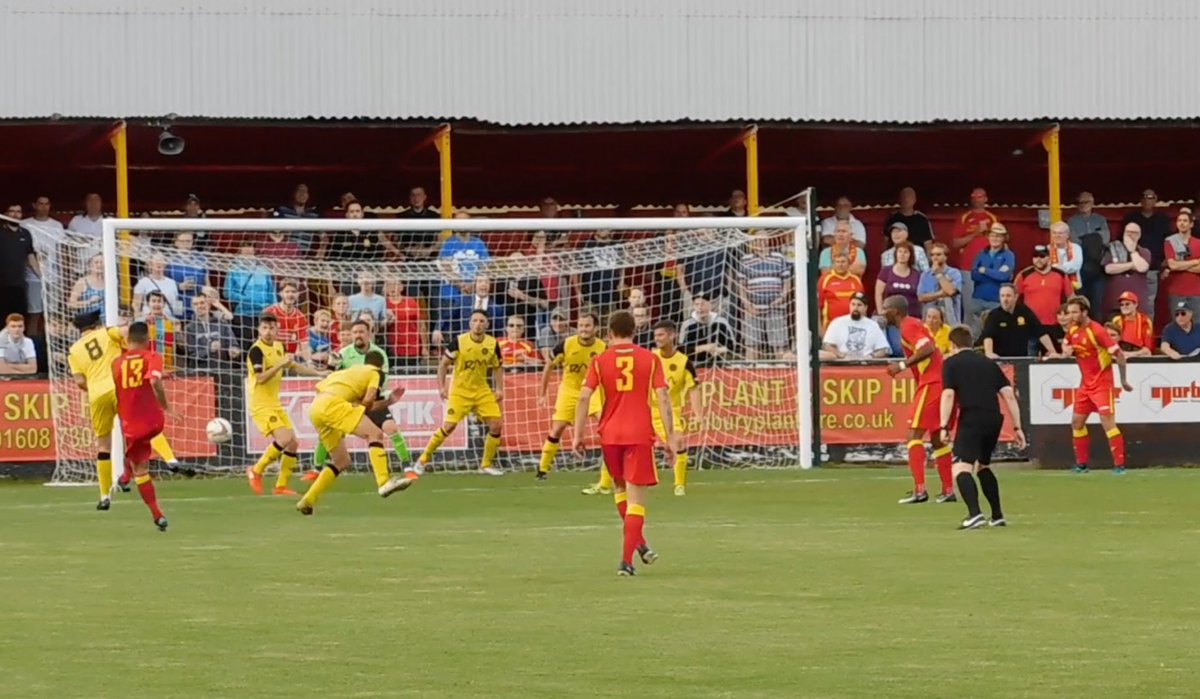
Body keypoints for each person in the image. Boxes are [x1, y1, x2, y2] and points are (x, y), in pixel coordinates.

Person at [572, 310, 681, 577]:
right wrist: (669, 438)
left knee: (620, 488)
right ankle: (626, 561)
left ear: (609, 333)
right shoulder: (650, 359)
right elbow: (663, 397)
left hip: (610, 434)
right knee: (637, 499)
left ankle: (639, 543)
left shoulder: (599, 360)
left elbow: (584, 397)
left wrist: (577, 435)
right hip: (638, 434)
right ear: (635, 331)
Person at [296, 351, 413, 515]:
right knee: (375, 434)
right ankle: (383, 482)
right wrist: (385, 402)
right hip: (333, 404)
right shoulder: (375, 373)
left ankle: (307, 500)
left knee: (341, 461)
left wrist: (383, 403)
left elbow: (321, 388)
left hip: (316, 408)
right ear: (381, 366)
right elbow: (369, 400)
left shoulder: (347, 373)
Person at [938, 325, 1025, 530]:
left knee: (961, 467)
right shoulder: (989, 363)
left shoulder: (951, 363)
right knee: (983, 465)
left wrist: (943, 425)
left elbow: (948, 395)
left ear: (952, 344)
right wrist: (1018, 427)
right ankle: (997, 515)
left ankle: (974, 514)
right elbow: (1009, 395)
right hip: (993, 419)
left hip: (972, 417)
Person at [309, 320, 416, 478]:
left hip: (372, 398)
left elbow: (381, 382)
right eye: (355, 332)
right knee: (331, 431)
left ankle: (407, 467)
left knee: (391, 428)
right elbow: (332, 377)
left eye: (361, 332)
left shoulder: (379, 354)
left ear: (369, 334)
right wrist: (331, 367)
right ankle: (316, 469)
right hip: (349, 400)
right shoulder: (343, 353)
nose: (358, 335)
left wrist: (371, 398)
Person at [882, 295, 955, 504]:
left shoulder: (908, 326)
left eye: (886, 309)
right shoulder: (912, 325)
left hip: (932, 383)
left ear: (895, 311)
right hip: (937, 381)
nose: (883, 313)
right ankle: (948, 490)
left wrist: (901, 365)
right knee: (937, 437)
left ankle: (920, 490)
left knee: (914, 434)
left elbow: (928, 348)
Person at [244, 314, 327, 497]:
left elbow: (293, 366)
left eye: (272, 328)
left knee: (293, 444)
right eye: (265, 328)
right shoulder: (256, 351)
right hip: (260, 404)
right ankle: (256, 470)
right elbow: (260, 378)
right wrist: (279, 365)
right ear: (259, 330)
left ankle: (281, 486)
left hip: (274, 402)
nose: (268, 332)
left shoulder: (278, 346)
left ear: (277, 330)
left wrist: (318, 373)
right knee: (284, 438)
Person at [417, 310, 505, 476]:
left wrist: (499, 388)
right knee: (449, 427)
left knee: (496, 425)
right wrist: (441, 387)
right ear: (469, 323)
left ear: (487, 324)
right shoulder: (459, 341)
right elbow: (443, 365)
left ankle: (486, 464)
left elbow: (498, 367)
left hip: (482, 391)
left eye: (481, 321)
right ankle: (422, 460)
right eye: (475, 320)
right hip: (460, 391)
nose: (478, 324)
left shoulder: (492, 344)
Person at [111, 321, 175, 532]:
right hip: (153, 421)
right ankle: (126, 473)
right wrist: (166, 407)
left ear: (127, 340)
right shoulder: (152, 357)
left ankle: (158, 515)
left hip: (131, 424)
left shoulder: (116, 363)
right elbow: (154, 381)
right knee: (140, 450)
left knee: (141, 469)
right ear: (148, 339)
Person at [1060, 296, 1133, 474]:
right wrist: (1066, 350)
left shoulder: (1097, 331)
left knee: (1107, 423)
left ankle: (1119, 465)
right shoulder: (1073, 329)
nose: (1071, 316)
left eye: (1075, 312)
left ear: (1085, 312)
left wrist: (1123, 380)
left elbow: (1119, 355)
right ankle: (1082, 464)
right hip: (1085, 385)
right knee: (1076, 422)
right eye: (1069, 312)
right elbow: (1066, 344)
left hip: (1102, 384)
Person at [67, 311, 126, 509]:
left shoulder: (74, 350)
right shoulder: (107, 333)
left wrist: (93, 387)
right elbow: (126, 332)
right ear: (97, 323)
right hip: (118, 387)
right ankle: (169, 460)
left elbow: (79, 381)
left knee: (103, 445)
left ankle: (104, 496)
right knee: (138, 427)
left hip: (97, 395)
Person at [539, 313, 606, 482]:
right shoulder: (566, 344)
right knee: (558, 428)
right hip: (569, 390)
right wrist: (542, 393)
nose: (583, 329)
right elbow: (549, 366)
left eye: (587, 326)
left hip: (593, 390)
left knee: (606, 425)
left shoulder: (603, 348)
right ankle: (542, 470)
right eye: (581, 325)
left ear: (596, 328)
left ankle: (608, 471)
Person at [649, 320, 702, 496]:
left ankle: (679, 485)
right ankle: (607, 483)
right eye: (655, 335)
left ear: (672, 335)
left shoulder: (684, 361)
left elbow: (693, 389)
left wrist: (698, 414)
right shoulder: (650, 357)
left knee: (678, 441)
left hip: (670, 411)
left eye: (661, 335)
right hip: (647, 409)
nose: (657, 339)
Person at [980, 285, 1058, 358]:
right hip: (1000, 358)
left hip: (1021, 357)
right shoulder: (994, 315)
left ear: (1016, 297)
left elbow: (1041, 332)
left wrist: (1052, 352)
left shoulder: (1024, 311)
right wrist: (989, 353)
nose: (1005, 299)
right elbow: (988, 336)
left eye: (1008, 296)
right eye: (1002, 296)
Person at [1101, 222, 1152, 322]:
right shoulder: (1112, 248)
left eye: (1134, 233)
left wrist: (1132, 251)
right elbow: (1109, 269)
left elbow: (1142, 268)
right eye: (1128, 232)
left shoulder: (1144, 251)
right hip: (1115, 302)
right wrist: (1132, 265)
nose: (1130, 235)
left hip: (1137, 302)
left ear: (1139, 235)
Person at [969, 224, 1016, 332]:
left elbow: (1004, 276)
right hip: (978, 299)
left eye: (998, 236)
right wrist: (995, 274)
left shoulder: (1008, 255)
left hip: (996, 301)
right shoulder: (981, 254)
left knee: (997, 332)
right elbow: (974, 275)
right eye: (992, 235)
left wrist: (985, 271)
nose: (995, 239)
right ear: (988, 237)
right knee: (976, 334)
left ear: (1003, 238)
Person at [819, 292, 890, 361]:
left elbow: (884, 350)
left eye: (859, 305)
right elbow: (826, 345)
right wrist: (842, 356)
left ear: (865, 307)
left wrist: (870, 356)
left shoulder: (873, 325)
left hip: (865, 364)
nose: (855, 308)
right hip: (842, 363)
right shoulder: (837, 322)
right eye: (853, 304)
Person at [1014, 245, 1072, 326]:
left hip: (1055, 324)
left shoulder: (1061, 274)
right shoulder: (1023, 275)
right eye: (1035, 256)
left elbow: (1071, 297)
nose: (1038, 259)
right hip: (1029, 324)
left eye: (1042, 256)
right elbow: (1013, 297)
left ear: (1048, 258)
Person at [678, 294, 737, 368]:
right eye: (696, 304)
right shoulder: (687, 324)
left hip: (719, 363)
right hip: (693, 363)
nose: (700, 307)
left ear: (710, 305)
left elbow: (733, 346)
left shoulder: (721, 322)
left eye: (703, 304)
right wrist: (704, 348)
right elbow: (681, 349)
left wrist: (719, 350)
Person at [263, 279, 312, 362]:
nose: (290, 294)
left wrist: (309, 362)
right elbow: (262, 340)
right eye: (287, 291)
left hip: (290, 359)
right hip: (270, 356)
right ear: (281, 294)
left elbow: (304, 345)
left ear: (298, 294)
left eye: (293, 292)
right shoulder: (269, 312)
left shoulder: (300, 317)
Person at [817, 250, 864, 334]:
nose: (840, 264)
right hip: (831, 327)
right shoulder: (825, 279)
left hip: (853, 327)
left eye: (843, 262)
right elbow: (818, 305)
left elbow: (863, 305)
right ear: (833, 264)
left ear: (849, 263)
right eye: (837, 262)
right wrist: (820, 329)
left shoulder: (856, 280)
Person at [1163, 209, 1200, 315]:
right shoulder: (1170, 241)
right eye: (1179, 220)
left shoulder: (1198, 243)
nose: (1182, 223)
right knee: (1178, 322)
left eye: (1185, 221)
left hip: (1196, 292)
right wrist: (1195, 261)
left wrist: (1180, 265)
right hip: (1176, 291)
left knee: (1197, 322)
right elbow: (1172, 265)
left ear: (1191, 224)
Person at [917, 243, 964, 325]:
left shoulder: (954, 273)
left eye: (938, 254)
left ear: (945, 257)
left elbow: (950, 291)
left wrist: (939, 274)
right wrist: (940, 294)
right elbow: (921, 297)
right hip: (929, 320)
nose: (935, 257)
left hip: (950, 320)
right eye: (932, 255)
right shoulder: (925, 274)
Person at [875, 240, 921, 318]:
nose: (902, 254)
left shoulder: (917, 274)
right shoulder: (886, 271)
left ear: (910, 255)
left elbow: (920, 296)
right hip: (891, 316)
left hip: (912, 316)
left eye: (905, 252)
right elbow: (878, 294)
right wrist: (880, 311)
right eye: (900, 251)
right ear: (896, 254)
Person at [881, 187, 935, 254]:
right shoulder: (892, 219)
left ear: (915, 200)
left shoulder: (922, 219)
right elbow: (885, 242)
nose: (906, 200)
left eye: (909, 197)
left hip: (917, 256)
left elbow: (928, 245)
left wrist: (929, 259)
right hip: (896, 255)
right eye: (904, 197)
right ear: (899, 200)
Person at [1110, 292, 1154, 357]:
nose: (1124, 307)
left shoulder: (1145, 321)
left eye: (1127, 304)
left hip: (1138, 356)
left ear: (1135, 304)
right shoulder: (1116, 321)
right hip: (1120, 355)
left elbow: (1148, 349)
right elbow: (1111, 343)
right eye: (1122, 305)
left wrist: (1130, 354)